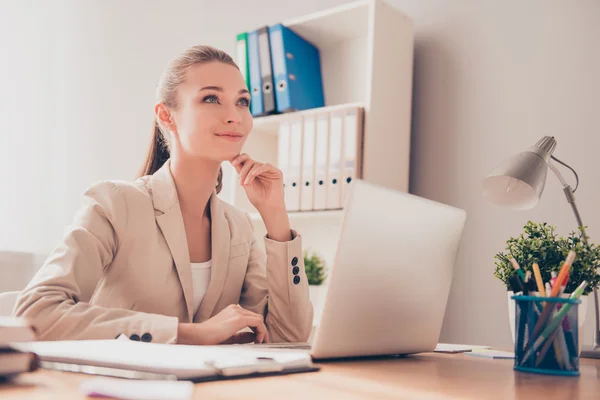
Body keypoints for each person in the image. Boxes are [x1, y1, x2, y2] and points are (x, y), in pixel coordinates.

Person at [12, 45, 313, 345]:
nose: (234, 116)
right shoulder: (115, 204)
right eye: (211, 98)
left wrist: (275, 217)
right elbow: (35, 314)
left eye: (242, 101)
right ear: (167, 116)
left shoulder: (239, 227)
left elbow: (289, 337)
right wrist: (191, 334)